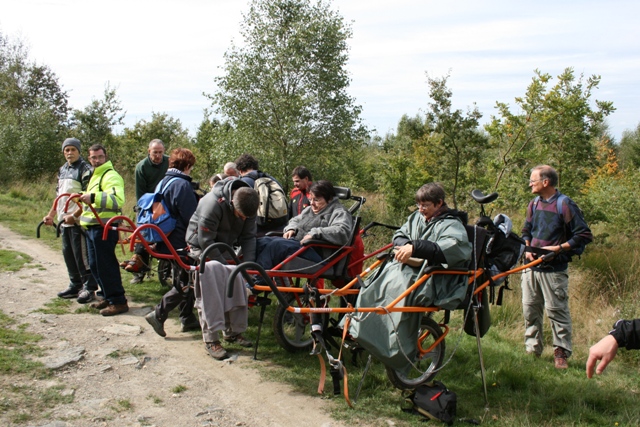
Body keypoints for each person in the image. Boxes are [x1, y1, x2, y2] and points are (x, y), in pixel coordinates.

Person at [347, 182, 472, 372]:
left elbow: (454, 247)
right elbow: (400, 234)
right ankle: (364, 334)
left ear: (439, 203)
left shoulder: (452, 224)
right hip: (405, 269)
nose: (421, 210)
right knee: (371, 286)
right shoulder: (416, 217)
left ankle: (396, 351)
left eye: (426, 205)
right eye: (419, 205)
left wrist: (415, 247)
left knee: (396, 297)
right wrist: (405, 244)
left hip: (433, 276)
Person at [521, 165, 593, 369]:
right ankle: (532, 350)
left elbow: (584, 235)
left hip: (554, 270)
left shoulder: (565, 204)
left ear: (546, 182)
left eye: (533, 180)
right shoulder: (533, 204)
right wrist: (527, 248)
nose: (530, 184)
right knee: (530, 309)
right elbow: (526, 230)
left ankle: (561, 353)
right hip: (530, 267)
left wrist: (559, 248)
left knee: (556, 311)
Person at [186, 178, 260, 360]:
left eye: (246, 218)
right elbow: (205, 240)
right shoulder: (212, 203)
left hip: (225, 246)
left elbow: (249, 238)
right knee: (210, 286)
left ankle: (233, 331)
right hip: (201, 246)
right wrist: (226, 266)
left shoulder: (249, 203)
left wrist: (246, 268)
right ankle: (211, 339)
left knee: (236, 284)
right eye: (240, 215)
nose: (243, 219)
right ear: (231, 202)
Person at [144, 149, 200, 337]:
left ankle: (187, 318)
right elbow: (191, 217)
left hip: (165, 237)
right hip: (179, 239)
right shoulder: (182, 186)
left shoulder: (163, 181)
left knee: (184, 277)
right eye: (191, 166)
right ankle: (158, 314)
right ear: (187, 166)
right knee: (188, 280)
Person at [73, 144, 128, 316]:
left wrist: (93, 197)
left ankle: (118, 301)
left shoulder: (110, 175)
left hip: (104, 227)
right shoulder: (94, 176)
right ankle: (105, 295)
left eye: (100, 157)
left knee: (106, 265)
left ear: (105, 156)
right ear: (89, 159)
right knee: (95, 265)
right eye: (93, 157)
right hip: (92, 226)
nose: (97, 160)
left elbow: (117, 200)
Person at [255, 180, 353, 271]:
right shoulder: (309, 210)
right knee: (263, 241)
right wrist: (291, 228)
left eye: (316, 200)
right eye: (310, 200)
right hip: (299, 246)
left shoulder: (339, 212)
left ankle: (257, 280)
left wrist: (316, 233)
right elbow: (295, 220)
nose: (312, 204)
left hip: (319, 254)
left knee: (277, 245)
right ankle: (246, 275)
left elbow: (342, 230)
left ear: (330, 198)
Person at [45, 138, 98, 304]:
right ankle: (75, 285)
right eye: (66, 150)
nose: (69, 153)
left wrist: (75, 215)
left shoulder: (85, 169)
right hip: (64, 220)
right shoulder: (62, 170)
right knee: (68, 254)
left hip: (79, 221)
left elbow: (87, 197)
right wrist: (51, 215)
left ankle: (89, 288)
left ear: (79, 151)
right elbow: (58, 196)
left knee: (82, 256)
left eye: (73, 150)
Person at [124, 139, 169, 284]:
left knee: (168, 233)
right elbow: (141, 193)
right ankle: (139, 271)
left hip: (166, 203)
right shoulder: (142, 167)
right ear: (149, 151)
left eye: (160, 152)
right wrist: (148, 209)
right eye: (155, 152)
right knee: (143, 235)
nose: (158, 155)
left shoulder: (169, 162)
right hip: (148, 202)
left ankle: (166, 268)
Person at [235, 153, 288, 235]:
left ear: (240, 170)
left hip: (258, 230)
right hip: (280, 228)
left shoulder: (244, 182)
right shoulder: (272, 179)